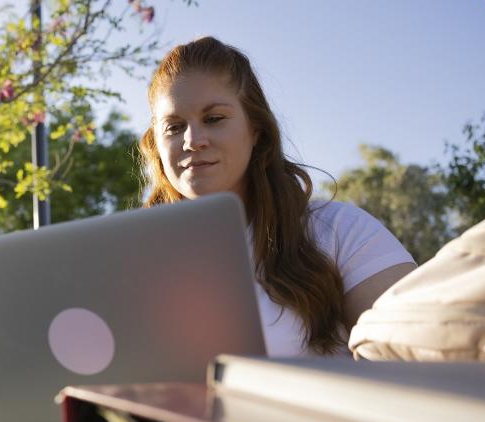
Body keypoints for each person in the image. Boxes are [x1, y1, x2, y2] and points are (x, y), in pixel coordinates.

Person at [138, 36, 416, 357]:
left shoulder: (340, 230)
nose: (193, 140)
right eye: (174, 126)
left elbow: (419, 358)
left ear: (256, 130)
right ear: (156, 144)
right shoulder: (135, 262)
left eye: (214, 119)